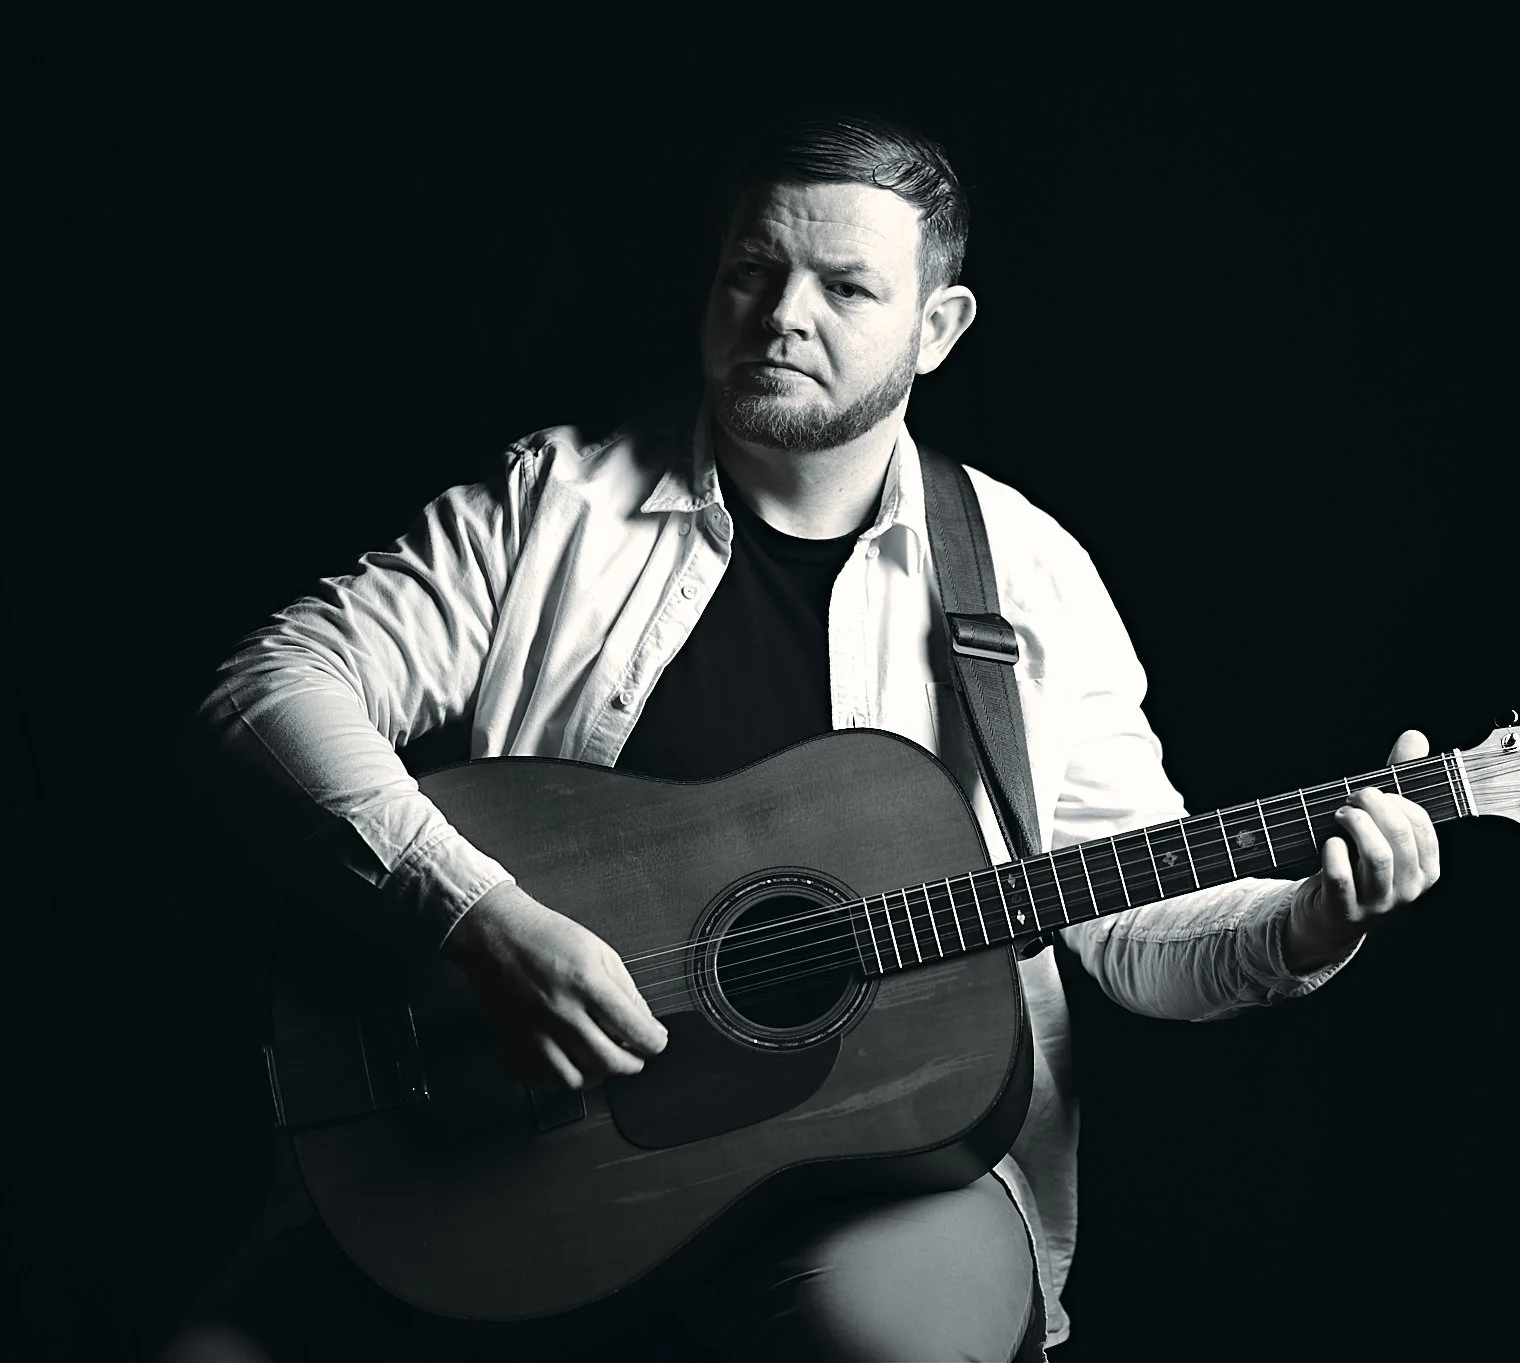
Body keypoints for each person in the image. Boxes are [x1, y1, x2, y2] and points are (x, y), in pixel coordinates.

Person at [172, 112, 1442, 1363]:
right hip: (518, 1149)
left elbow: (1128, 932)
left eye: (845, 286)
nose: (783, 315)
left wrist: (1306, 926)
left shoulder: (1028, 573)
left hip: (883, 1174)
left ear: (934, 330)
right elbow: (267, 692)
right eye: (751, 270)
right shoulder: (552, 501)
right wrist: (478, 919)